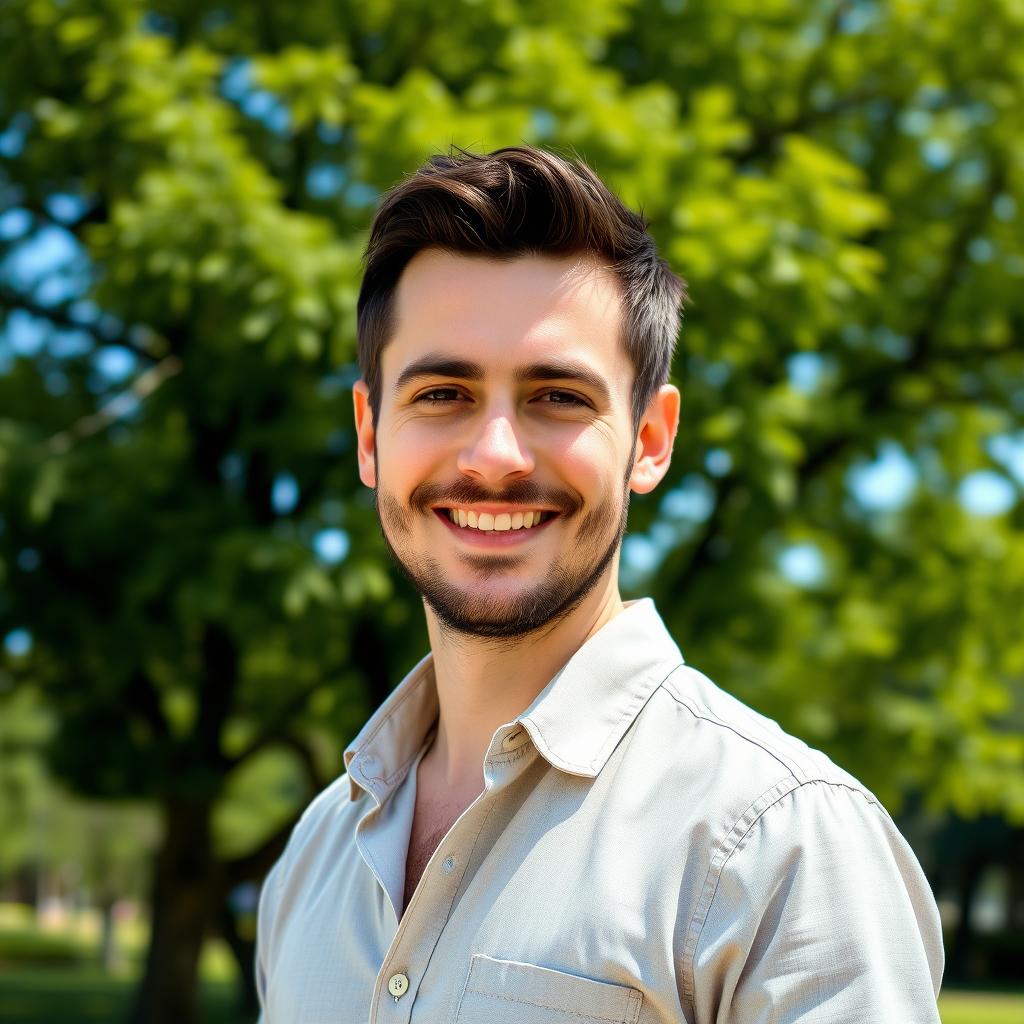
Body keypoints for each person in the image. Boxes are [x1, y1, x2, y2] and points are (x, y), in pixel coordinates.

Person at [255, 146, 943, 1023]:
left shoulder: (787, 846)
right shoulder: (313, 855)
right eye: (442, 394)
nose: (494, 456)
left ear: (651, 440)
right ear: (369, 434)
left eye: (558, 397)